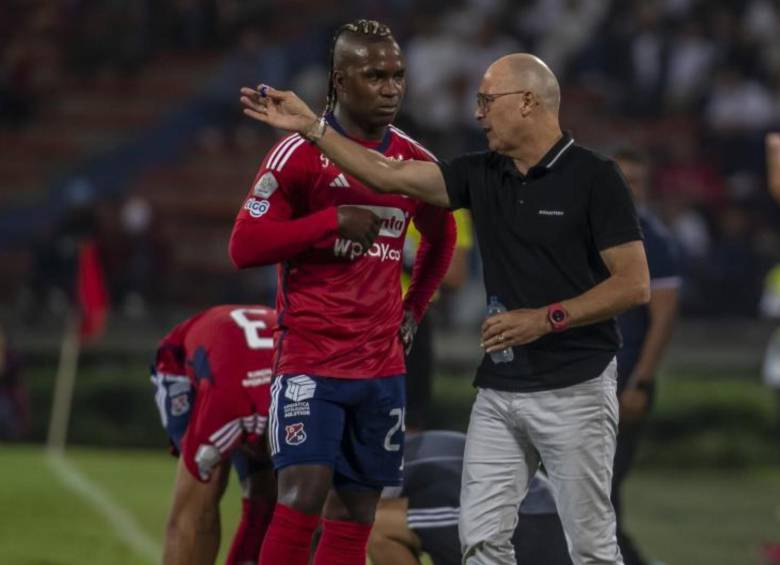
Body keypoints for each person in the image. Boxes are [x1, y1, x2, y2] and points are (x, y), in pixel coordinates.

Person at [240, 52, 650, 565]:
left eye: (486, 100)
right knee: (480, 538)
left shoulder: (596, 177)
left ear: (527, 102)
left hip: (576, 387)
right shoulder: (480, 174)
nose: (477, 113)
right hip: (501, 389)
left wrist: (545, 318)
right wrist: (313, 128)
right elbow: (386, 175)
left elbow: (634, 285)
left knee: (589, 545)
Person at [230, 19, 456, 565]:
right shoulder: (297, 154)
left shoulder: (411, 160)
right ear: (339, 80)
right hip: (311, 359)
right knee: (301, 497)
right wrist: (328, 223)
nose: (390, 88)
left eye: (397, 75)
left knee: (357, 514)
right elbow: (244, 245)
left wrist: (414, 310)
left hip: (381, 369)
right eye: (374, 75)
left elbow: (442, 235)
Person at [151, 304, 277, 565]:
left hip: (251, 371)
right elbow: (183, 521)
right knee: (202, 496)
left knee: (268, 497)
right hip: (186, 366)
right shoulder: (227, 407)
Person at [611, 148, 681, 565]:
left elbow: (664, 316)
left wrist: (640, 381)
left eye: (635, 181)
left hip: (625, 376)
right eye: (621, 179)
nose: (627, 189)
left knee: (602, 485)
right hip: (587, 375)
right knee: (587, 486)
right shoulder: (590, 229)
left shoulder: (653, 239)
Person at [369, 430, 571, 565]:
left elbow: (364, 515)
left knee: (376, 527)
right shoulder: (407, 452)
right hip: (543, 521)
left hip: (530, 524)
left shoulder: (388, 465)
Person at [402, 209, 473, 430]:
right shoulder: (367, 192)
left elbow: (455, 276)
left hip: (411, 318)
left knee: (409, 418)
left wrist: (403, 252)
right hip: (362, 312)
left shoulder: (449, 207)